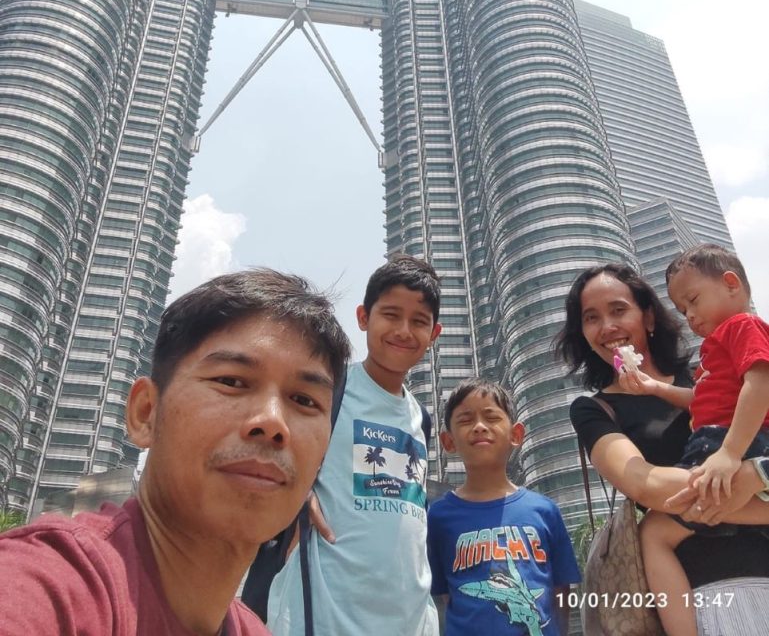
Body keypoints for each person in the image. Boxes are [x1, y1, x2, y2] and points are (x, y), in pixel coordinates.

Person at [0, 268, 352, 636]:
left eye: (304, 400)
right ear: (146, 413)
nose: (273, 422)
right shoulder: (51, 587)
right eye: (231, 381)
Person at [555, 263, 769, 629]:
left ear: (649, 316)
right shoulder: (595, 408)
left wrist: (759, 472)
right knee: (653, 528)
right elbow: (645, 485)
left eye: (619, 309)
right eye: (591, 318)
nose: (607, 326)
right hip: (702, 599)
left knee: (656, 527)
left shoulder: (709, 373)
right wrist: (754, 484)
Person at [267, 254, 442, 636]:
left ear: (435, 334)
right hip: (323, 615)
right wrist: (297, 494)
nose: (403, 330)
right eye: (391, 315)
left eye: (419, 321)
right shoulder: (326, 389)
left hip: (410, 620)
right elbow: (270, 450)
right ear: (363, 317)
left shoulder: (421, 418)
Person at [619, 246, 769, 636]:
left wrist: (730, 453)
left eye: (693, 301)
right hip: (723, 443)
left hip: (730, 444)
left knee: (654, 532)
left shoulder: (742, 328)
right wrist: (654, 387)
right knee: (659, 530)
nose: (690, 316)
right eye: (683, 310)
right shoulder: (715, 352)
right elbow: (700, 398)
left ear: (731, 284)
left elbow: (761, 382)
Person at [427, 378, 580, 636]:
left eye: (491, 417)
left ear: (516, 434)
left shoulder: (544, 510)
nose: (479, 427)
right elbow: (446, 597)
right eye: (465, 420)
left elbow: (560, 591)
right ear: (448, 441)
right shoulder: (438, 516)